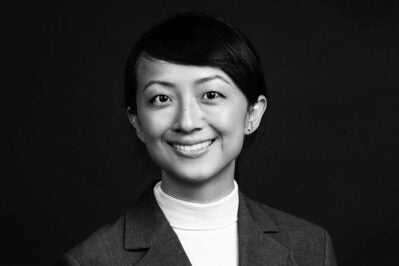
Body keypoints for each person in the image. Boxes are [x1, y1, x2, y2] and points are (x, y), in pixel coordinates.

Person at [56, 12, 337, 266]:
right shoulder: (91, 261)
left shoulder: (311, 248)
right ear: (137, 121)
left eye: (211, 95)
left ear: (252, 113)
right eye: (162, 98)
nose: (187, 122)